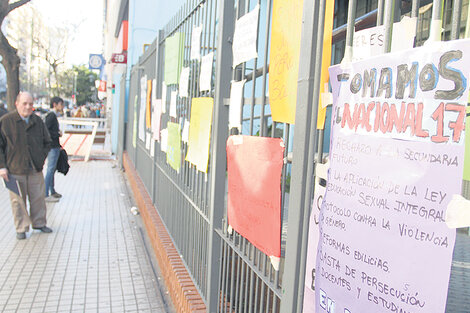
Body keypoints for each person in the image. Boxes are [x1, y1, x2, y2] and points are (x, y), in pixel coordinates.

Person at [0, 92, 53, 240]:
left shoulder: (37, 121)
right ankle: (21, 228)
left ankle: (39, 223)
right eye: (25, 103)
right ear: (17, 103)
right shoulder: (6, 122)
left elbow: (47, 142)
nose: (28, 107)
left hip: (35, 168)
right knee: (18, 201)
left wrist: (41, 157)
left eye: (30, 103)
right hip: (14, 169)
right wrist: (2, 167)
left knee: (38, 198)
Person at [44, 96, 64, 202]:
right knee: (50, 170)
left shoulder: (52, 115)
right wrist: (56, 134)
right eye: (61, 104)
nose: (62, 107)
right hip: (52, 146)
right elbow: (46, 130)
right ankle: (45, 194)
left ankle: (52, 190)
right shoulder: (51, 115)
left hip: (54, 145)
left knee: (52, 170)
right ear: (55, 104)